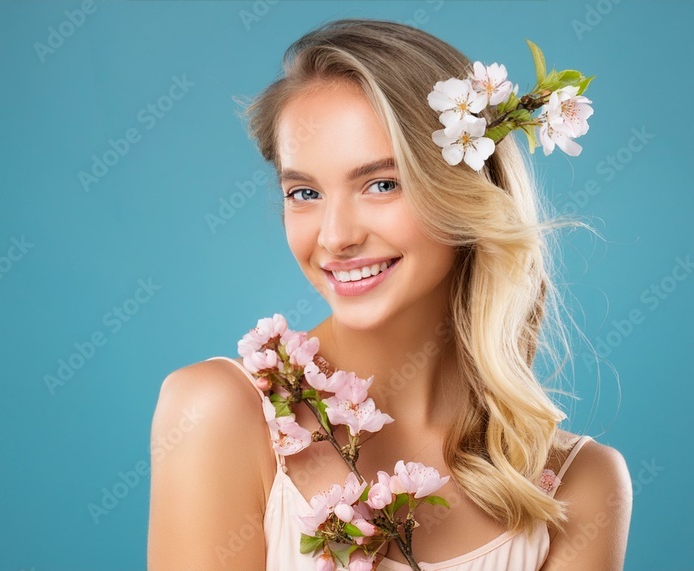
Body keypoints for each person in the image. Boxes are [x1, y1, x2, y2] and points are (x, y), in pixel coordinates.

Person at [148, 18, 631, 571]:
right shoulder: (218, 413)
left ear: (468, 193)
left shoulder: (580, 486)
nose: (336, 236)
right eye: (304, 192)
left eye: (382, 184)